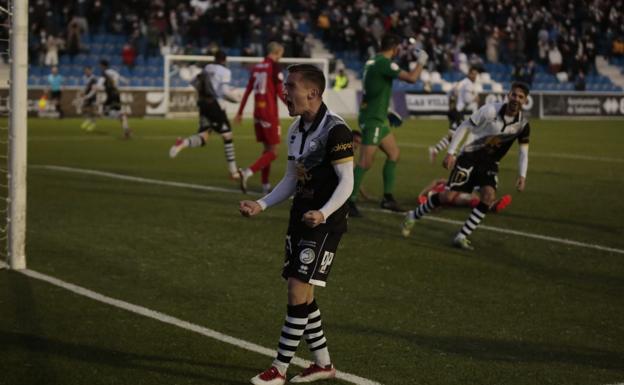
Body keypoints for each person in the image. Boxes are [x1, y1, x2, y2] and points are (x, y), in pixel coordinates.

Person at [239, 64, 354, 385]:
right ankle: (323, 364)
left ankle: (279, 369)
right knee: (303, 294)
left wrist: (324, 212)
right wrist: (261, 204)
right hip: (300, 218)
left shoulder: (336, 131)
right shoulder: (295, 130)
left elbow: (347, 182)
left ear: (313, 93)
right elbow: (291, 179)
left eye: (290, 86)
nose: (284, 92)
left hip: (325, 223)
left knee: (296, 289)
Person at [402, 82, 531, 250]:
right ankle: (413, 215)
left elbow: (523, 152)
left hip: (490, 163)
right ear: (508, 95)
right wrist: (451, 152)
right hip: (469, 156)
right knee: (448, 197)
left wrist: (522, 175)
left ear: (525, 100)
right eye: (514, 95)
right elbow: (465, 126)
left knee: (488, 196)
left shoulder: (523, 125)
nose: (516, 99)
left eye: (520, 97)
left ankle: (461, 236)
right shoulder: (490, 110)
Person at [348, 33, 428, 217]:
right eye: (398, 48)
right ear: (394, 48)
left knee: (394, 154)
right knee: (365, 162)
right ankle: (349, 202)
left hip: (377, 115)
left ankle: (388, 198)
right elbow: (411, 78)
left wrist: (386, 111)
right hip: (373, 118)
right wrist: (422, 61)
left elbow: (375, 88)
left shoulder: (372, 61)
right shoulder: (385, 63)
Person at [169, 50, 240, 179]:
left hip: (203, 104)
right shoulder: (225, 71)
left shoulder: (208, 67)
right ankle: (233, 171)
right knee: (227, 135)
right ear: (225, 60)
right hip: (215, 105)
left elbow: (195, 83)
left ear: (215, 59)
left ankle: (183, 142)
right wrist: (235, 99)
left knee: (204, 137)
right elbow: (224, 92)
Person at [235, 42, 286, 194]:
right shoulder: (274, 67)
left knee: (267, 150)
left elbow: (248, 90)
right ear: (277, 52)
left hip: (257, 112)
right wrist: (294, 107)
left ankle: (265, 185)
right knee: (274, 152)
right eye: (281, 54)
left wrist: (240, 112)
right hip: (269, 114)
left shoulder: (256, 67)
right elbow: (279, 91)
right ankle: (247, 172)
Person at [428, 66, 480, 163]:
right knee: (461, 132)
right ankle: (455, 157)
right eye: (473, 74)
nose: (475, 76)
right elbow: (466, 100)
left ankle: (435, 150)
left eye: (476, 74)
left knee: (453, 135)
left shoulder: (461, 82)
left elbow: (450, 93)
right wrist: (475, 98)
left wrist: (452, 103)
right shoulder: (468, 84)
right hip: (457, 111)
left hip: (453, 110)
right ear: (469, 73)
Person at [416, 178, 512, 213]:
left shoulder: (438, 186)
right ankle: (491, 206)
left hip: (456, 189)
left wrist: (421, 193)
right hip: (453, 197)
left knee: (472, 194)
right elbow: (439, 202)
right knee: (467, 198)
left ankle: (491, 204)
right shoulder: (432, 194)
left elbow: (437, 180)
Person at [98, 60, 132, 138]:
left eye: (100, 66)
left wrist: (96, 87)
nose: (100, 67)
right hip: (116, 94)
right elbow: (123, 80)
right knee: (114, 111)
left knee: (105, 112)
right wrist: (126, 82)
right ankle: (126, 128)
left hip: (111, 95)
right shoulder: (113, 72)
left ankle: (122, 118)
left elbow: (100, 84)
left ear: (103, 66)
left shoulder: (104, 74)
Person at [80, 66, 99, 131]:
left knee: (93, 111)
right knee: (83, 109)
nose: (86, 72)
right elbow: (85, 87)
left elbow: (94, 90)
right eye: (85, 71)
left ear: (91, 71)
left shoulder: (93, 79)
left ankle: (93, 124)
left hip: (92, 97)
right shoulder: (84, 77)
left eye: (88, 71)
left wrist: (87, 96)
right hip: (86, 96)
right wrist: (83, 92)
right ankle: (88, 120)